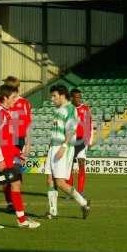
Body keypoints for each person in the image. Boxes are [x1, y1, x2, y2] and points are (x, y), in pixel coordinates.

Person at [0, 84, 40, 229]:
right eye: (13, 97)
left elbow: (6, 139)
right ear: (5, 97)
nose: (16, 100)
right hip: (1, 159)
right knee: (12, 183)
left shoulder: (5, 112)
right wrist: (0, 159)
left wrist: (17, 153)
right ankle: (21, 220)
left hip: (7, 157)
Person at [44, 84, 91, 219]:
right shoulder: (58, 110)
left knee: (60, 182)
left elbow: (71, 130)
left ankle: (84, 203)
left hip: (63, 148)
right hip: (53, 147)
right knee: (49, 180)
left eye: (54, 96)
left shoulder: (70, 109)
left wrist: (64, 146)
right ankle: (53, 211)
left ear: (62, 95)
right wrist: (50, 147)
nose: (52, 99)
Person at [1, 76, 33, 211]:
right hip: (7, 141)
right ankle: (10, 202)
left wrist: (28, 144)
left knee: (16, 173)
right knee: (7, 173)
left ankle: (13, 201)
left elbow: (28, 125)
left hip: (18, 141)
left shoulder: (24, 103)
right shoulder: (4, 103)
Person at [67, 89, 93, 196]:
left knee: (81, 163)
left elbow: (90, 125)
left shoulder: (85, 109)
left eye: (79, 97)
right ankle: (70, 191)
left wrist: (90, 140)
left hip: (82, 140)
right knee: (69, 166)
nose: (78, 99)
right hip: (71, 140)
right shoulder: (68, 109)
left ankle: (81, 191)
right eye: (76, 97)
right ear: (71, 98)